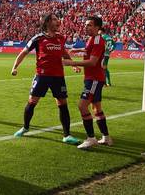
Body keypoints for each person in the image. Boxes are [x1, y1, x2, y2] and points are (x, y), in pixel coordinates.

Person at [10, 14, 81, 145]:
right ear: (47, 22)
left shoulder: (61, 38)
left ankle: (67, 135)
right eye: (54, 19)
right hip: (42, 76)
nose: (57, 21)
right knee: (32, 102)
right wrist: (15, 67)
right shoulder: (38, 38)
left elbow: (64, 54)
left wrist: (74, 65)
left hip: (58, 76)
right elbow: (23, 52)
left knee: (62, 104)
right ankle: (25, 127)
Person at [63, 16, 113, 149]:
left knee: (82, 106)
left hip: (95, 79)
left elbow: (92, 62)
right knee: (96, 108)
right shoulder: (92, 39)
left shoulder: (97, 40)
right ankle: (106, 137)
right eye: (86, 25)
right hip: (93, 78)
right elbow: (88, 51)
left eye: (90, 25)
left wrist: (71, 62)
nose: (86, 27)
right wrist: (78, 50)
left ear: (97, 27)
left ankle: (91, 138)